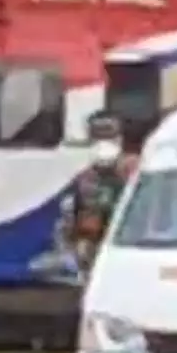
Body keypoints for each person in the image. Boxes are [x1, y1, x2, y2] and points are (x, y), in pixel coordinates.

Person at [54, 110, 131, 280]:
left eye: (108, 132)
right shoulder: (83, 174)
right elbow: (72, 209)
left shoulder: (131, 168)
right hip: (90, 230)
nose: (104, 139)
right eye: (98, 133)